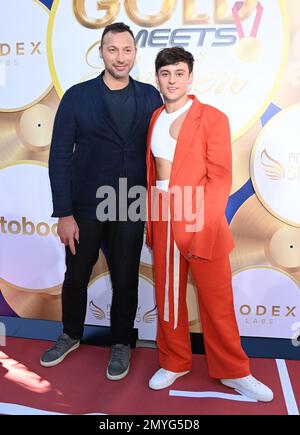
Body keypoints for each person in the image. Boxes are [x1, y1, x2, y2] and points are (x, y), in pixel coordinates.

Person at [146, 47, 273, 402]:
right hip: (162, 216)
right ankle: (174, 362)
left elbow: (219, 179)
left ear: (190, 77)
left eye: (179, 73)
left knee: (216, 301)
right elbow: (152, 173)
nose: (172, 80)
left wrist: (201, 223)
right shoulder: (155, 117)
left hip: (201, 220)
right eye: (166, 74)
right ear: (157, 78)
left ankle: (234, 371)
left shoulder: (212, 118)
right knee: (168, 299)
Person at [40, 22, 162, 381]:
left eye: (127, 50)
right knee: (76, 274)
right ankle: (70, 334)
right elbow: (59, 155)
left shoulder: (150, 97)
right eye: (113, 50)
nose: (120, 57)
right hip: (84, 207)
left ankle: (121, 342)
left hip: (130, 204)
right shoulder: (77, 97)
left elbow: (160, 153)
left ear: (135, 54)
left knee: (126, 277)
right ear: (101, 52)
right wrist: (64, 212)